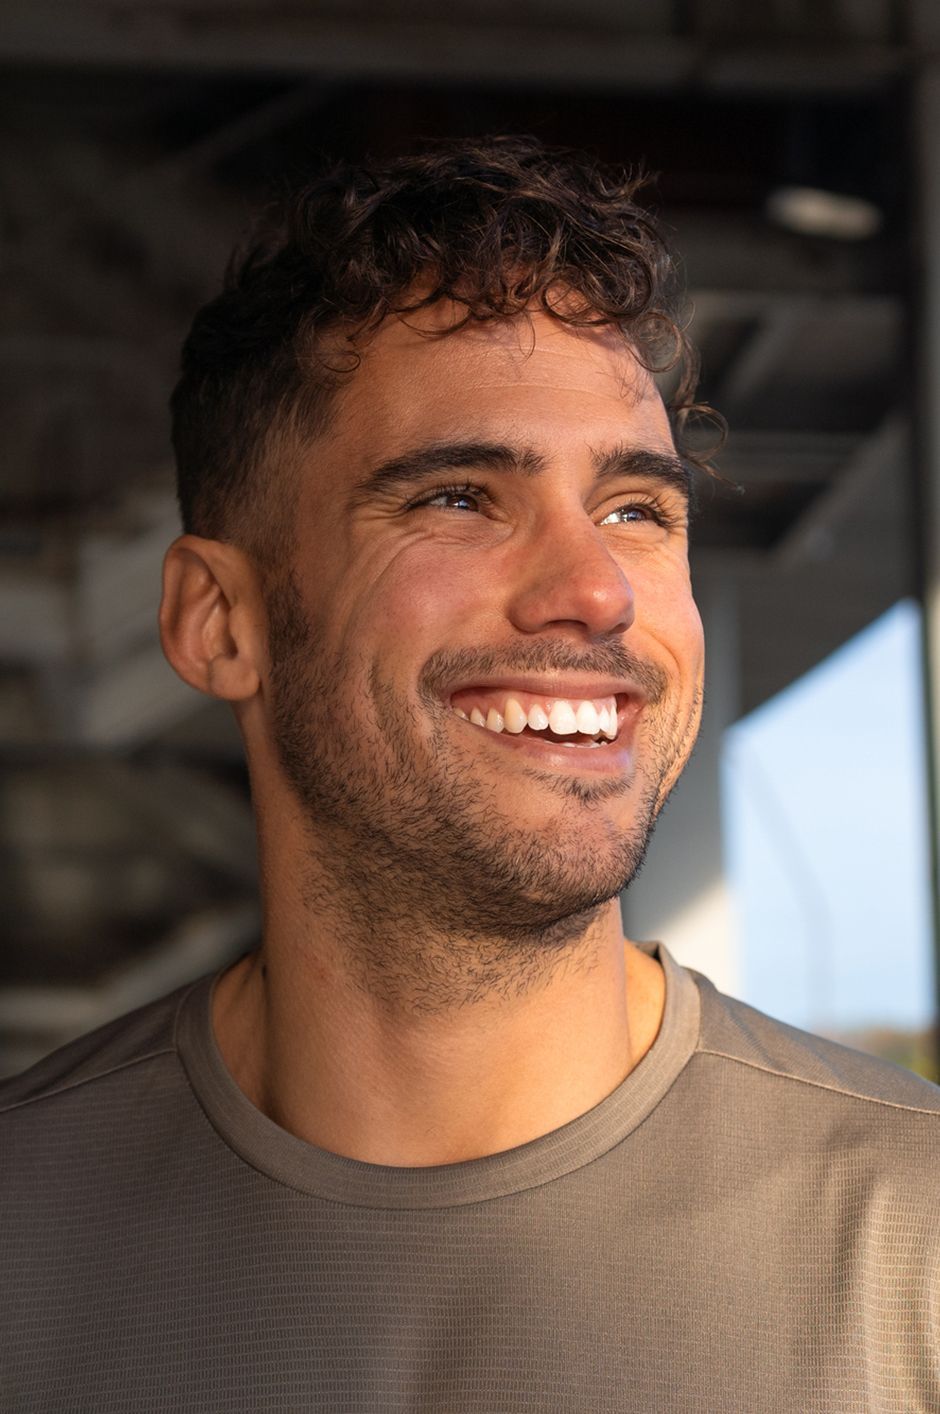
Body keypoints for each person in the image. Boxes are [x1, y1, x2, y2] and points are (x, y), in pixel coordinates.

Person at [2, 136, 938, 1413]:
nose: (596, 590)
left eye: (636, 510)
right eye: (457, 497)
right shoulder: (26, 1229)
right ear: (220, 620)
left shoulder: (910, 1239)